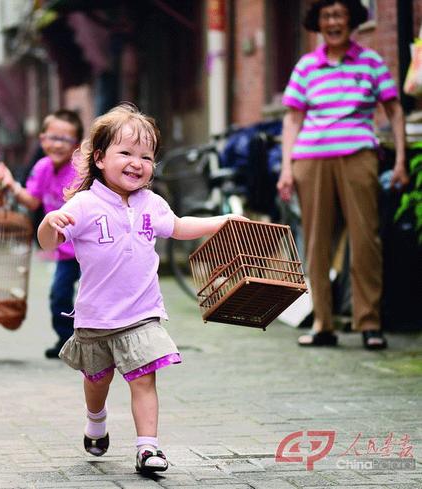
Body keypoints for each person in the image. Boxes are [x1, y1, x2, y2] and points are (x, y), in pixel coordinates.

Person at [37, 103, 245, 474]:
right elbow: (48, 244)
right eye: (126, 153)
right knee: (96, 380)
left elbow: (179, 227)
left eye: (146, 156)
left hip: (142, 314)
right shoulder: (84, 204)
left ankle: (148, 448)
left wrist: (222, 221)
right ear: (99, 158)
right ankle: (96, 420)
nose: (137, 163)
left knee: (144, 379)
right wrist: (50, 221)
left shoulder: (152, 203)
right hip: (97, 317)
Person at [277, 0, 409, 350]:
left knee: (366, 240)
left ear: (351, 20)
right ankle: (323, 323)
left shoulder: (371, 62)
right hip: (311, 159)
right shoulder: (306, 66)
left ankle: (369, 323)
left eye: (339, 15)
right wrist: (287, 167)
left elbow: (394, 111)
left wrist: (400, 161)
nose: (333, 22)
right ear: (317, 23)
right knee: (317, 243)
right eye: (326, 16)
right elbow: (292, 119)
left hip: (357, 156)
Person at [0, 109, 84, 358]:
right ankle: (66, 341)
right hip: (65, 252)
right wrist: (10, 184)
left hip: (90, 249)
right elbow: (32, 201)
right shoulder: (43, 167)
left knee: (93, 298)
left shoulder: (81, 170)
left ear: (76, 145)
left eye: (65, 139)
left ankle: (98, 342)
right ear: (42, 139)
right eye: (52, 137)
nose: (57, 144)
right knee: (59, 296)